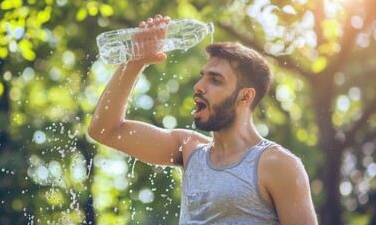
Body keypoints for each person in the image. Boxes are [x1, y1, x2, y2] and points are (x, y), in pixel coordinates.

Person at [88, 14, 318, 225]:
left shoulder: (278, 164)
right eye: (202, 77)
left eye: (215, 80)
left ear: (245, 96)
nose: (198, 87)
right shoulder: (189, 150)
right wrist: (135, 61)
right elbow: (105, 130)